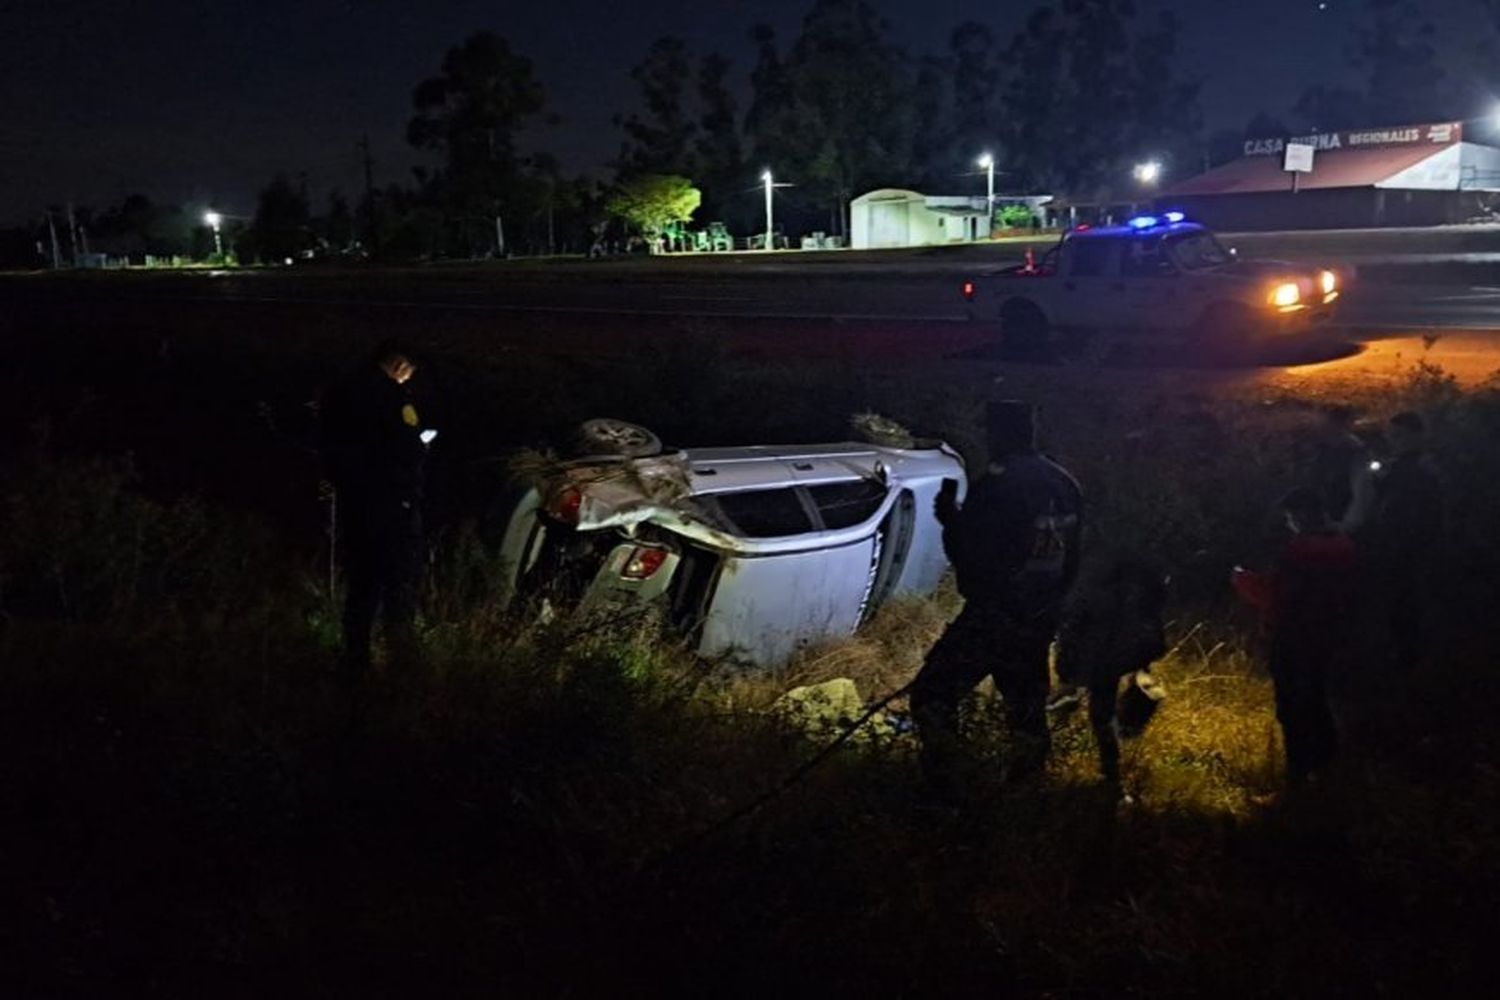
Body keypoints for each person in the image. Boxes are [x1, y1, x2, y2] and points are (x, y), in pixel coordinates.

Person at [909, 401, 1084, 792]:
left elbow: (970, 559)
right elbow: (1074, 560)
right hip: (1037, 619)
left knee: (932, 696)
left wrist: (950, 521)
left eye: (989, 432)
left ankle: (946, 785)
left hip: (993, 617)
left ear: (999, 434)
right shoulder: (1064, 483)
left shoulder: (997, 485)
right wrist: (1049, 609)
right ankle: (1027, 791)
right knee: (1026, 711)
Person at [1232, 487, 1358, 787]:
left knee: (1291, 706)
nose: (1289, 523)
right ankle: (1327, 767)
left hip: (1294, 637)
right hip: (1330, 635)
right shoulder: (1345, 546)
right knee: (1318, 700)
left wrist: (1242, 580)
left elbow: (1277, 596)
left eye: (1290, 517)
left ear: (1302, 515)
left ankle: (1298, 772)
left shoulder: (1300, 551)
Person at [320, 340, 432, 679]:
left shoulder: (344, 392)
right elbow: (408, 449)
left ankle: (356, 657)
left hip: (356, 503)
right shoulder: (394, 398)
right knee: (397, 579)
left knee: (362, 583)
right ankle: (401, 657)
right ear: (400, 366)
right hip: (391, 504)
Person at [1052, 553, 1169, 785]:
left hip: (1104, 647)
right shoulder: (1137, 571)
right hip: (1108, 648)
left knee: (1092, 706)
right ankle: (1108, 772)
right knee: (1095, 707)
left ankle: (1104, 770)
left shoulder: (1101, 574)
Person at [1367, 411, 1444, 670]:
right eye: (1391, 435)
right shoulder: (1401, 463)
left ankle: (1410, 656)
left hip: (1412, 543)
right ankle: (1402, 651)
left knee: (1408, 598)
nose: (1392, 440)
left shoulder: (1424, 465)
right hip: (1394, 540)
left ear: (1415, 436)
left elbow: (1428, 505)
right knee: (1397, 598)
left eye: (1398, 435)